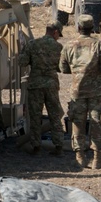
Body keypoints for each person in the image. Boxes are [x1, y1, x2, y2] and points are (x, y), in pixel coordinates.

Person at [59, 14, 101, 169]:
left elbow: (63, 68)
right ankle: (97, 159)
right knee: (97, 123)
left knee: (77, 123)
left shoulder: (69, 46)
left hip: (77, 91)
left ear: (78, 27)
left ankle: (80, 158)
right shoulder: (99, 45)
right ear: (92, 28)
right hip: (96, 92)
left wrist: (78, 72)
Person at [19, 22, 65, 156]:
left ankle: (37, 148)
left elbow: (22, 62)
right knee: (55, 116)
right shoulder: (58, 47)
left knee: (35, 117)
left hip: (35, 85)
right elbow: (61, 68)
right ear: (55, 32)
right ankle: (59, 147)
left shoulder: (33, 44)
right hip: (51, 85)